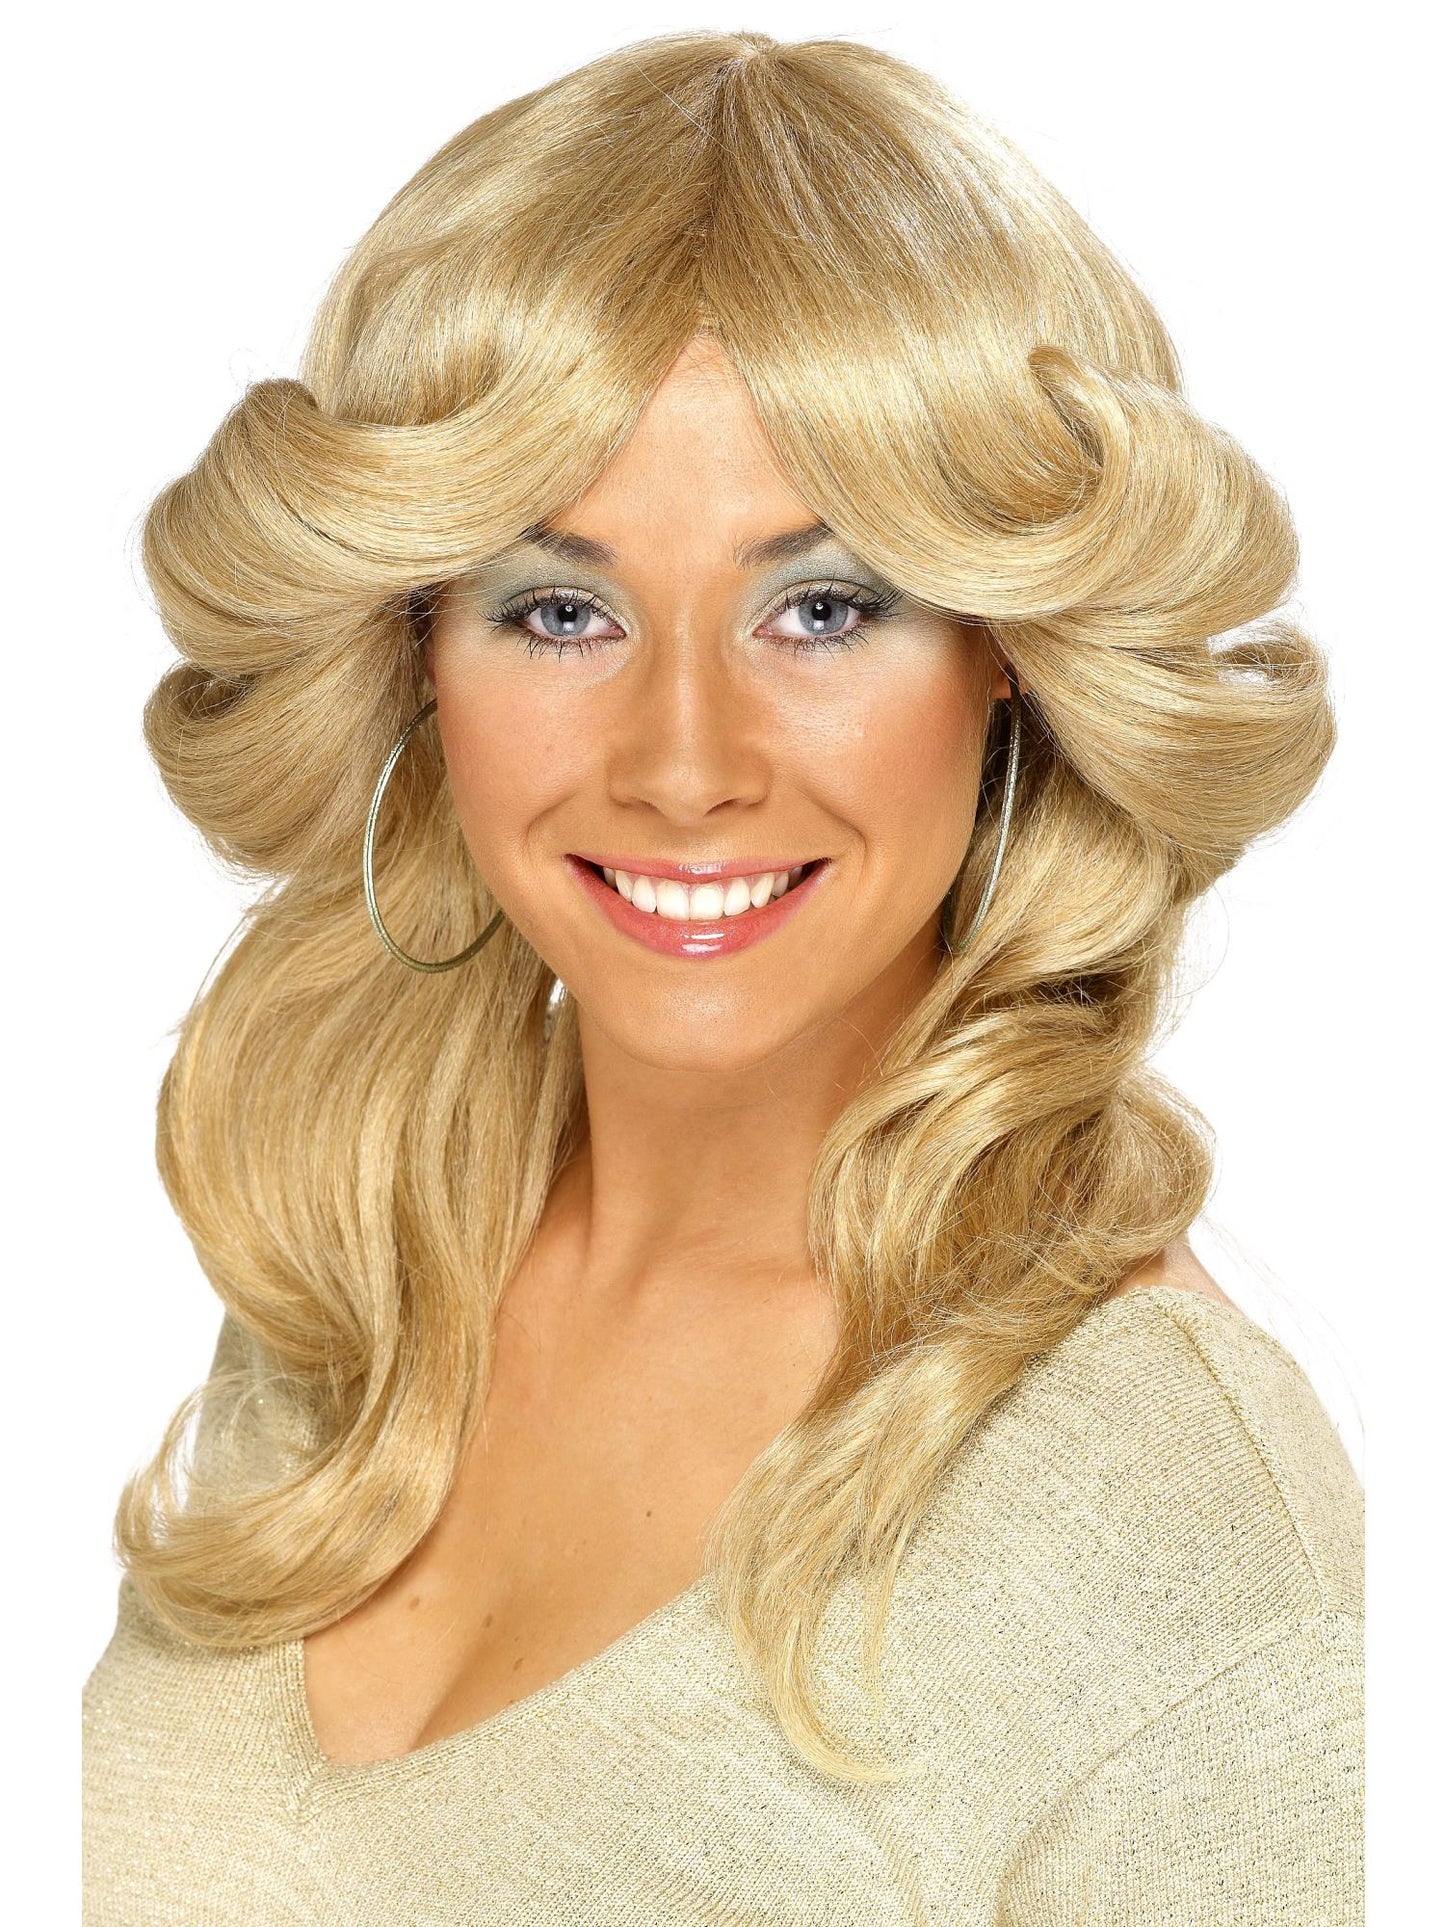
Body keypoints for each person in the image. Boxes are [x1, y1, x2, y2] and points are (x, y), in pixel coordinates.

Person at [82, 29, 1362, 1925]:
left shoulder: (1166, 1526)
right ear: (417, 648)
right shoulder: (358, 1273)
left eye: (821, 608)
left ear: (1008, 649)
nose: (684, 765)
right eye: (560, 610)